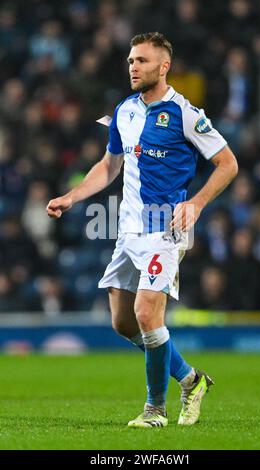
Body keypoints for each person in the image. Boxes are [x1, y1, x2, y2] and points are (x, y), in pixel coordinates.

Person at [47, 32, 238, 428]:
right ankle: (191, 379)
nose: (133, 66)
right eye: (131, 60)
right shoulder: (124, 111)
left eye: (142, 61)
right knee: (122, 323)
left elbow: (228, 163)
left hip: (165, 230)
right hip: (127, 229)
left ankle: (156, 410)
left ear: (163, 66)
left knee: (147, 313)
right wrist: (71, 196)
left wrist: (197, 203)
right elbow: (109, 166)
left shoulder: (186, 114)